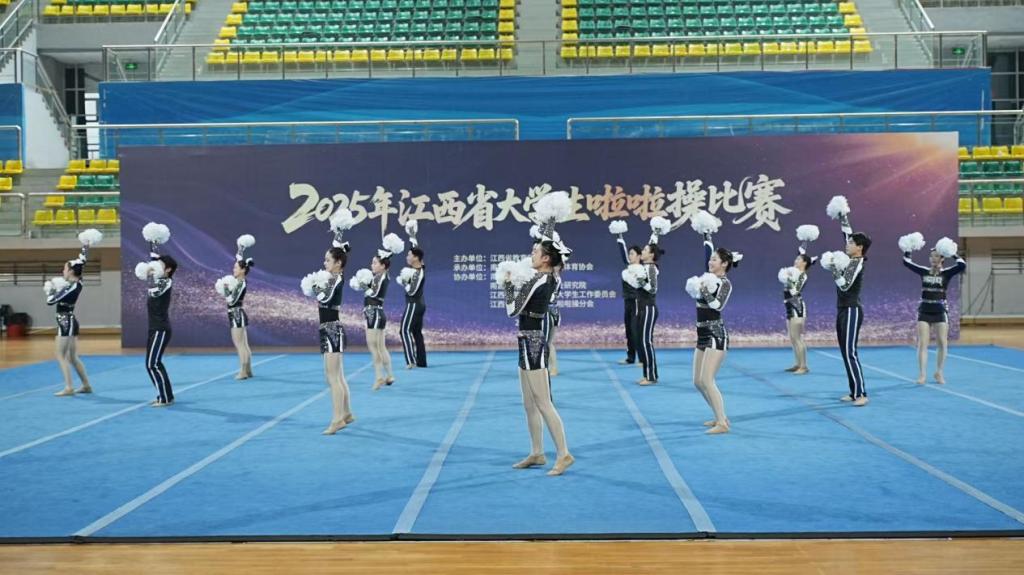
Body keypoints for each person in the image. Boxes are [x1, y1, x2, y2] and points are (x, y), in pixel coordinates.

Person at [501, 224, 574, 476]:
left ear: (545, 259)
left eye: (535, 252)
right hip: (527, 340)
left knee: (543, 402)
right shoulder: (549, 277)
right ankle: (537, 452)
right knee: (529, 403)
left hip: (532, 342)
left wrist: (507, 284)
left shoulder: (539, 279)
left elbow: (512, 310)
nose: (531, 254)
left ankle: (564, 454)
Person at [303, 209, 355, 434]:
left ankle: (337, 420)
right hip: (328, 329)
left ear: (337, 263)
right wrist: (338, 232)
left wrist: (314, 286)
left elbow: (324, 297)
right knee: (337, 375)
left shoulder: (335, 279)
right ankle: (347, 413)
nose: (324, 263)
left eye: (327, 260)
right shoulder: (333, 277)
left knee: (332, 377)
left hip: (332, 329)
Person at [689, 229, 740, 435]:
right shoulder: (708, 278)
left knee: (708, 380)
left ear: (724, 264)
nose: (710, 262)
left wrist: (703, 291)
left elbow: (718, 305)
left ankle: (722, 423)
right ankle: (720, 416)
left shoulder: (725, 283)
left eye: (714, 259)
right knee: (697, 382)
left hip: (715, 334)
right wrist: (706, 235)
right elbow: (707, 252)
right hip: (701, 334)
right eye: (710, 259)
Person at [824, 197, 871, 406]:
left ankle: (861, 394)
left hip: (852, 310)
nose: (847, 243)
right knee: (844, 352)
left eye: (851, 242)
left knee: (850, 352)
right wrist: (842, 215)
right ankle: (853, 392)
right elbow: (846, 233)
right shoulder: (851, 257)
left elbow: (844, 285)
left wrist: (833, 268)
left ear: (859, 247)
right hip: (842, 309)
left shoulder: (856, 262)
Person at [902, 240, 966, 385]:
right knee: (923, 343)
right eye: (931, 256)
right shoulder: (924, 271)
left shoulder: (947, 273)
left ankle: (939, 372)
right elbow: (907, 262)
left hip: (940, 310)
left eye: (937, 256)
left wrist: (952, 253)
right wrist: (908, 249)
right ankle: (922, 374)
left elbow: (962, 265)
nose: (933, 259)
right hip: (924, 310)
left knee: (942, 342)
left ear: (942, 258)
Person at [47, 229, 101, 396]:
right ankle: (86, 385)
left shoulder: (70, 287)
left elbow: (50, 301)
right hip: (69, 321)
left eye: (64, 269)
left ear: (70, 271)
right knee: (72, 357)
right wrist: (86, 245)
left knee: (60, 355)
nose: (63, 271)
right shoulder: (78, 282)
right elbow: (82, 261)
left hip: (66, 322)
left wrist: (50, 289)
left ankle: (69, 387)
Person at [219, 235, 255, 380]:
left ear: (242, 270)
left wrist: (225, 288)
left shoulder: (240, 283)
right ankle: (249, 370)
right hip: (237, 314)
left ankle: (243, 371)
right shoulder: (240, 280)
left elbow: (231, 300)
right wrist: (240, 249)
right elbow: (239, 259)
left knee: (240, 345)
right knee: (244, 344)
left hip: (236, 314)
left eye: (235, 268)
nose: (233, 269)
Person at [399, 221, 427, 369]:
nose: (407, 256)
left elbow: (412, 291)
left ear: (415, 258)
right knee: (416, 333)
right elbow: (416, 248)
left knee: (404, 330)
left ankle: (411, 361)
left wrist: (403, 281)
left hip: (414, 305)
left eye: (409, 255)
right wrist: (412, 235)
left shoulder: (417, 273)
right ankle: (422, 362)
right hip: (419, 304)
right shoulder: (421, 266)